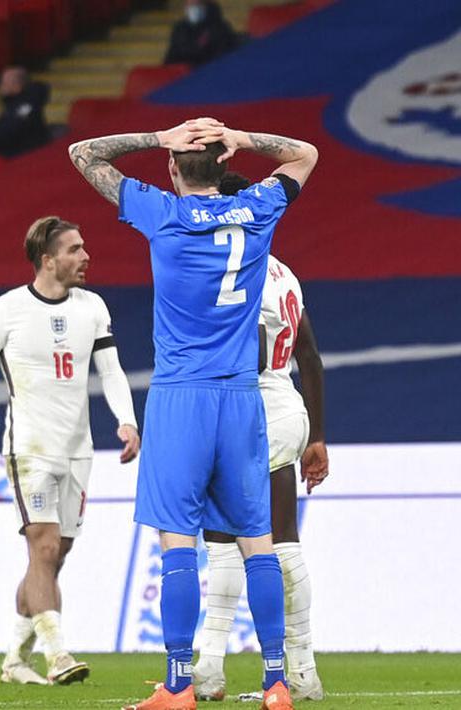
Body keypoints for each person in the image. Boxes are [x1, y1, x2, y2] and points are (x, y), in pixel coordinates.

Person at [68, 119, 318, 710]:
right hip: (241, 397)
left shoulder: (164, 213)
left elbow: (85, 153)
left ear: (174, 169)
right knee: (258, 541)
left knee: (178, 541)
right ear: (222, 164)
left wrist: (162, 136)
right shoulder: (257, 207)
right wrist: (242, 138)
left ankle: (180, 684)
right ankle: (277, 684)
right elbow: (305, 154)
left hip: (183, 395)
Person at [0, 216, 140, 687]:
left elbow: (110, 372)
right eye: (74, 250)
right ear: (47, 260)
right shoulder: (5, 311)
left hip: (77, 449)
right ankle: (57, 653)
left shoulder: (93, 308)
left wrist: (126, 419)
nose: (86, 257)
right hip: (29, 448)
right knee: (42, 545)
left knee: (53, 556)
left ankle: (13, 659)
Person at [194, 175, 329, 703]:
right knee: (283, 541)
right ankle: (304, 670)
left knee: (226, 546)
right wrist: (317, 436)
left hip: (246, 406)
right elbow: (311, 358)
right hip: (286, 404)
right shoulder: (284, 272)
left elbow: (244, 348)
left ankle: (207, 668)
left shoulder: (236, 268)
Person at [164, 0, 239, 67]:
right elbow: (172, 56)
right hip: (185, 76)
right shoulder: (180, 29)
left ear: (204, 6)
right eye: (189, 5)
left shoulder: (220, 28)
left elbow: (222, 57)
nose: (192, 8)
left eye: (195, 5)